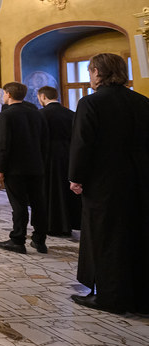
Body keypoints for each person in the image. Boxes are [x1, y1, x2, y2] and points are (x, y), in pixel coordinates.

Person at [68, 53, 149, 315]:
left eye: (91, 71)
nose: (90, 76)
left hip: (104, 182)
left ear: (97, 72)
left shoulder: (91, 102)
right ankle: (139, 295)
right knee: (136, 234)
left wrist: (76, 177)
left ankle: (110, 296)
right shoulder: (142, 101)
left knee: (105, 237)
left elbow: (82, 144)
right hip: (139, 180)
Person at [0, 82, 49, 254]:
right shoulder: (36, 114)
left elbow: (3, 145)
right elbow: (44, 140)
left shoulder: (6, 116)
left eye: (4, 93)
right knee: (39, 203)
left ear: (8, 94)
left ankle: (17, 239)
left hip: (15, 168)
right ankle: (40, 241)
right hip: (36, 166)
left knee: (19, 205)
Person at [37, 86, 80, 237]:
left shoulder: (41, 114)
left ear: (43, 97)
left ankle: (52, 224)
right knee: (66, 189)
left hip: (49, 156)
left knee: (51, 191)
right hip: (68, 155)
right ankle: (69, 222)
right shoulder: (70, 113)